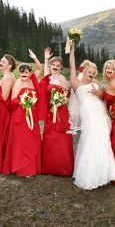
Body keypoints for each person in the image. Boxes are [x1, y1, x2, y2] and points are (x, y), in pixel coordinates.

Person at [69, 41, 115, 189]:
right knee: (91, 138)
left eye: (93, 72)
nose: (91, 74)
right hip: (88, 115)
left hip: (100, 113)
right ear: (83, 70)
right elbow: (72, 66)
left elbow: (102, 97)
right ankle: (89, 175)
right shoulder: (76, 83)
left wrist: (97, 93)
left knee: (103, 139)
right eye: (89, 71)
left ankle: (103, 174)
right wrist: (72, 49)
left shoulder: (96, 81)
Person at [2, 49, 43, 178]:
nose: (23, 74)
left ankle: (33, 167)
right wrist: (23, 102)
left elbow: (40, 68)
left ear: (30, 73)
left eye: (26, 72)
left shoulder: (33, 80)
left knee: (33, 140)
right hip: (20, 116)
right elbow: (12, 101)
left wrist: (35, 57)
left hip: (32, 116)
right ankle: (23, 169)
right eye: (21, 72)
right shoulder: (17, 83)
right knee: (22, 143)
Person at [39, 47, 74, 176]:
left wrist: (59, 101)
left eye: (57, 65)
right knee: (49, 138)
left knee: (60, 139)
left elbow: (67, 95)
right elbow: (46, 71)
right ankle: (49, 167)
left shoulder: (62, 79)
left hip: (60, 112)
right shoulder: (48, 78)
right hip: (50, 112)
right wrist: (46, 58)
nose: (55, 67)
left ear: (61, 68)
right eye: (53, 65)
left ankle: (62, 168)